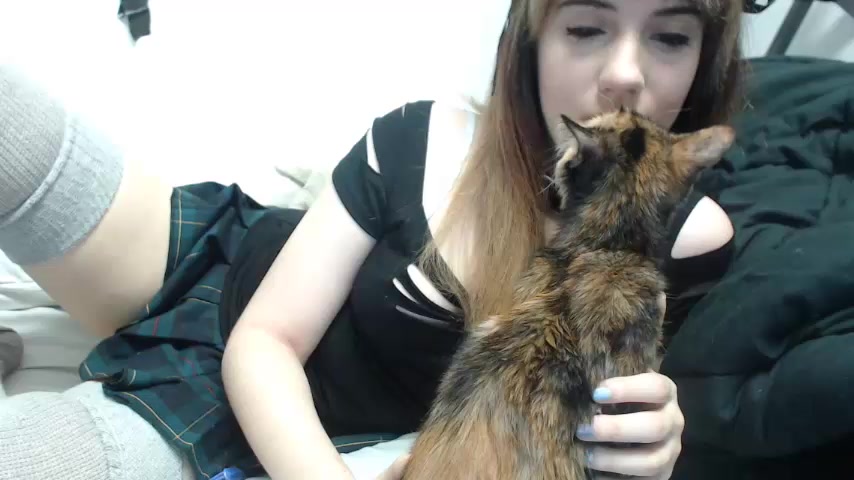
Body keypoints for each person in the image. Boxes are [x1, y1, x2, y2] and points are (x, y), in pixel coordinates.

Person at [0, 0, 744, 479]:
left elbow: (591, 415)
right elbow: (266, 339)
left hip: (264, 419)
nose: (624, 75)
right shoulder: (424, 135)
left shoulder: (688, 238)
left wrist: (656, 442)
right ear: (531, 38)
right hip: (206, 267)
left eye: (670, 36)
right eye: (585, 28)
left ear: (704, 57)